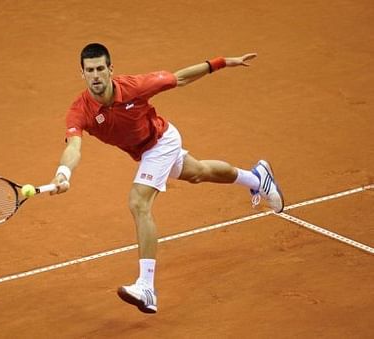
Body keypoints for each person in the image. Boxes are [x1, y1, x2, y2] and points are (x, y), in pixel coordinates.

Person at [49, 43, 284, 314]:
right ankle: (257, 179)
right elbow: (73, 147)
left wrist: (222, 62)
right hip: (143, 152)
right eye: (90, 70)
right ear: (82, 74)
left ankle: (146, 286)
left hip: (161, 142)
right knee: (199, 173)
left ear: (110, 69)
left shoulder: (135, 86)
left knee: (139, 202)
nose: (96, 75)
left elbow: (180, 77)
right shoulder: (80, 110)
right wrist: (63, 173)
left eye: (101, 68)